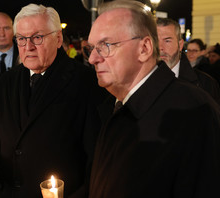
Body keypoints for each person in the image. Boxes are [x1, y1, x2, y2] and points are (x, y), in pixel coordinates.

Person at [87, 1, 220, 197]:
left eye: (106, 45)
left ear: (145, 48)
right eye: (92, 48)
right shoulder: (115, 105)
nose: (92, 59)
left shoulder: (196, 112)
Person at [0, 4, 107, 198]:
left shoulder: (86, 82)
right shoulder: (6, 82)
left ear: (58, 38)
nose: (28, 47)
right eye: (21, 38)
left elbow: (96, 157)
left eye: (37, 37)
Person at [157, 18, 220, 103]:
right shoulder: (138, 80)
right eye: (155, 41)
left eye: (167, 41)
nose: (160, 47)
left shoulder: (206, 84)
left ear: (180, 45)